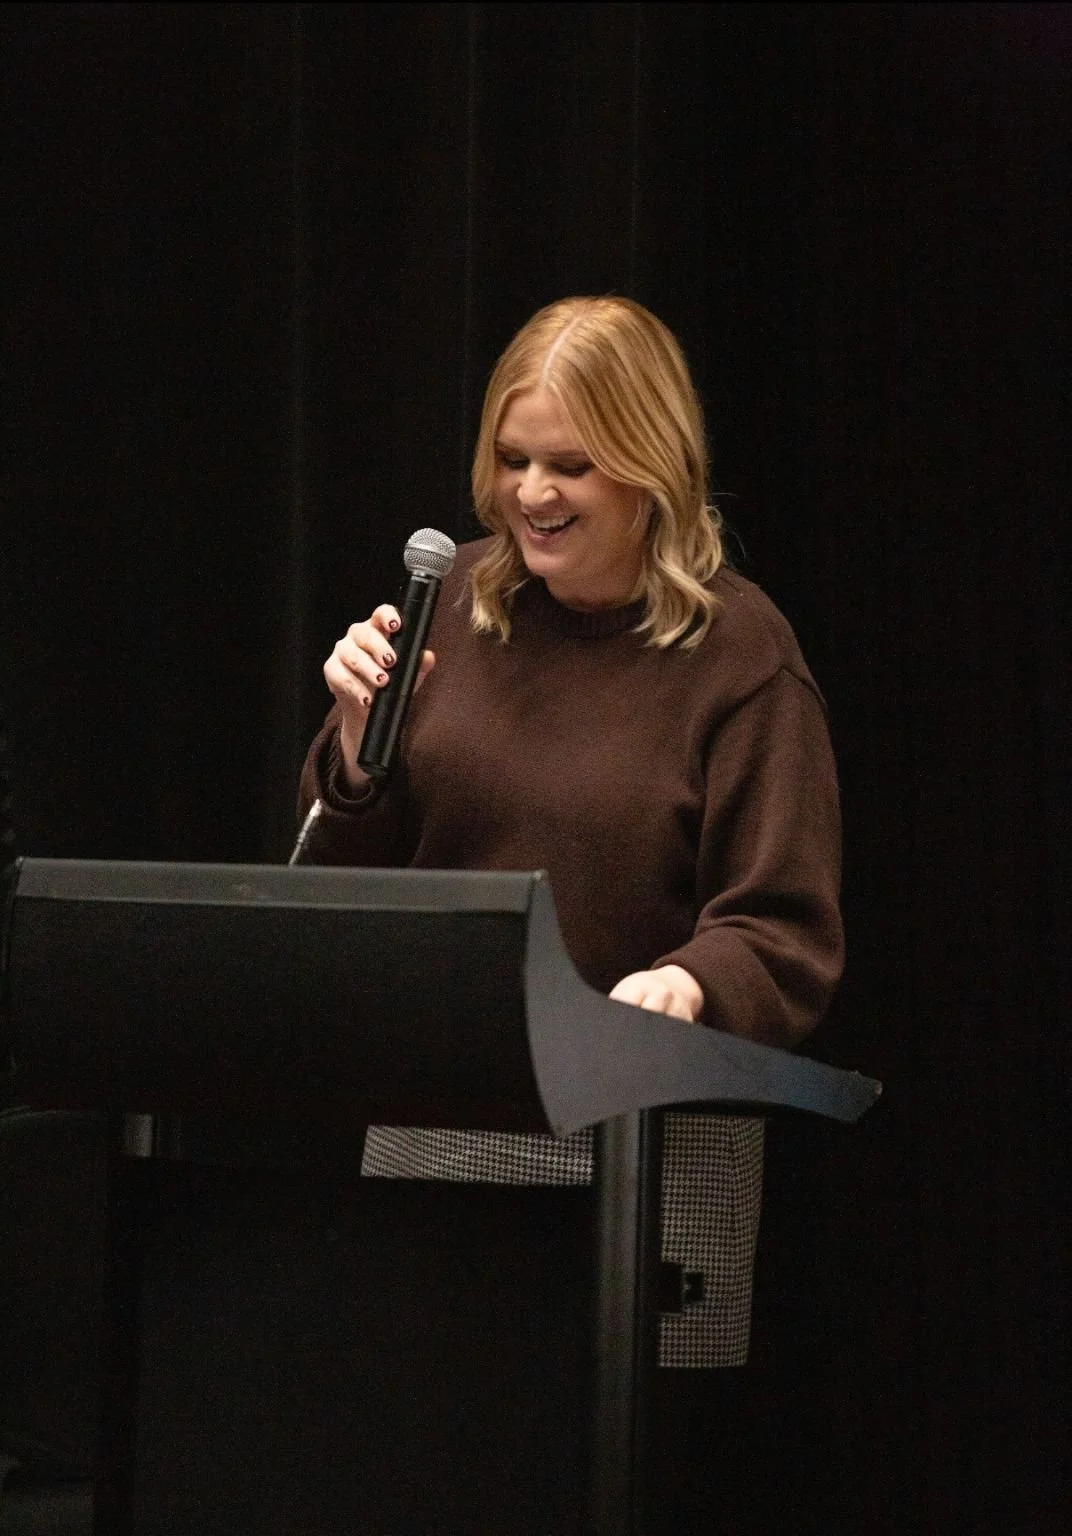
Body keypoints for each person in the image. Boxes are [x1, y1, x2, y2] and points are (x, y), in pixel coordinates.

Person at [297, 295, 843, 1527]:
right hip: (444, 1127)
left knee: (613, 1494)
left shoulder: (739, 652)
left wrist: (690, 984)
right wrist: (351, 749)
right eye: (512, 458)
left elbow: (783, 925)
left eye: (571, 464)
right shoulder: (454, 610)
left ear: (649, 464)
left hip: (644, 1146)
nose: (531, 492)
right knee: (427, 1479)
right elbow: (345, 881)